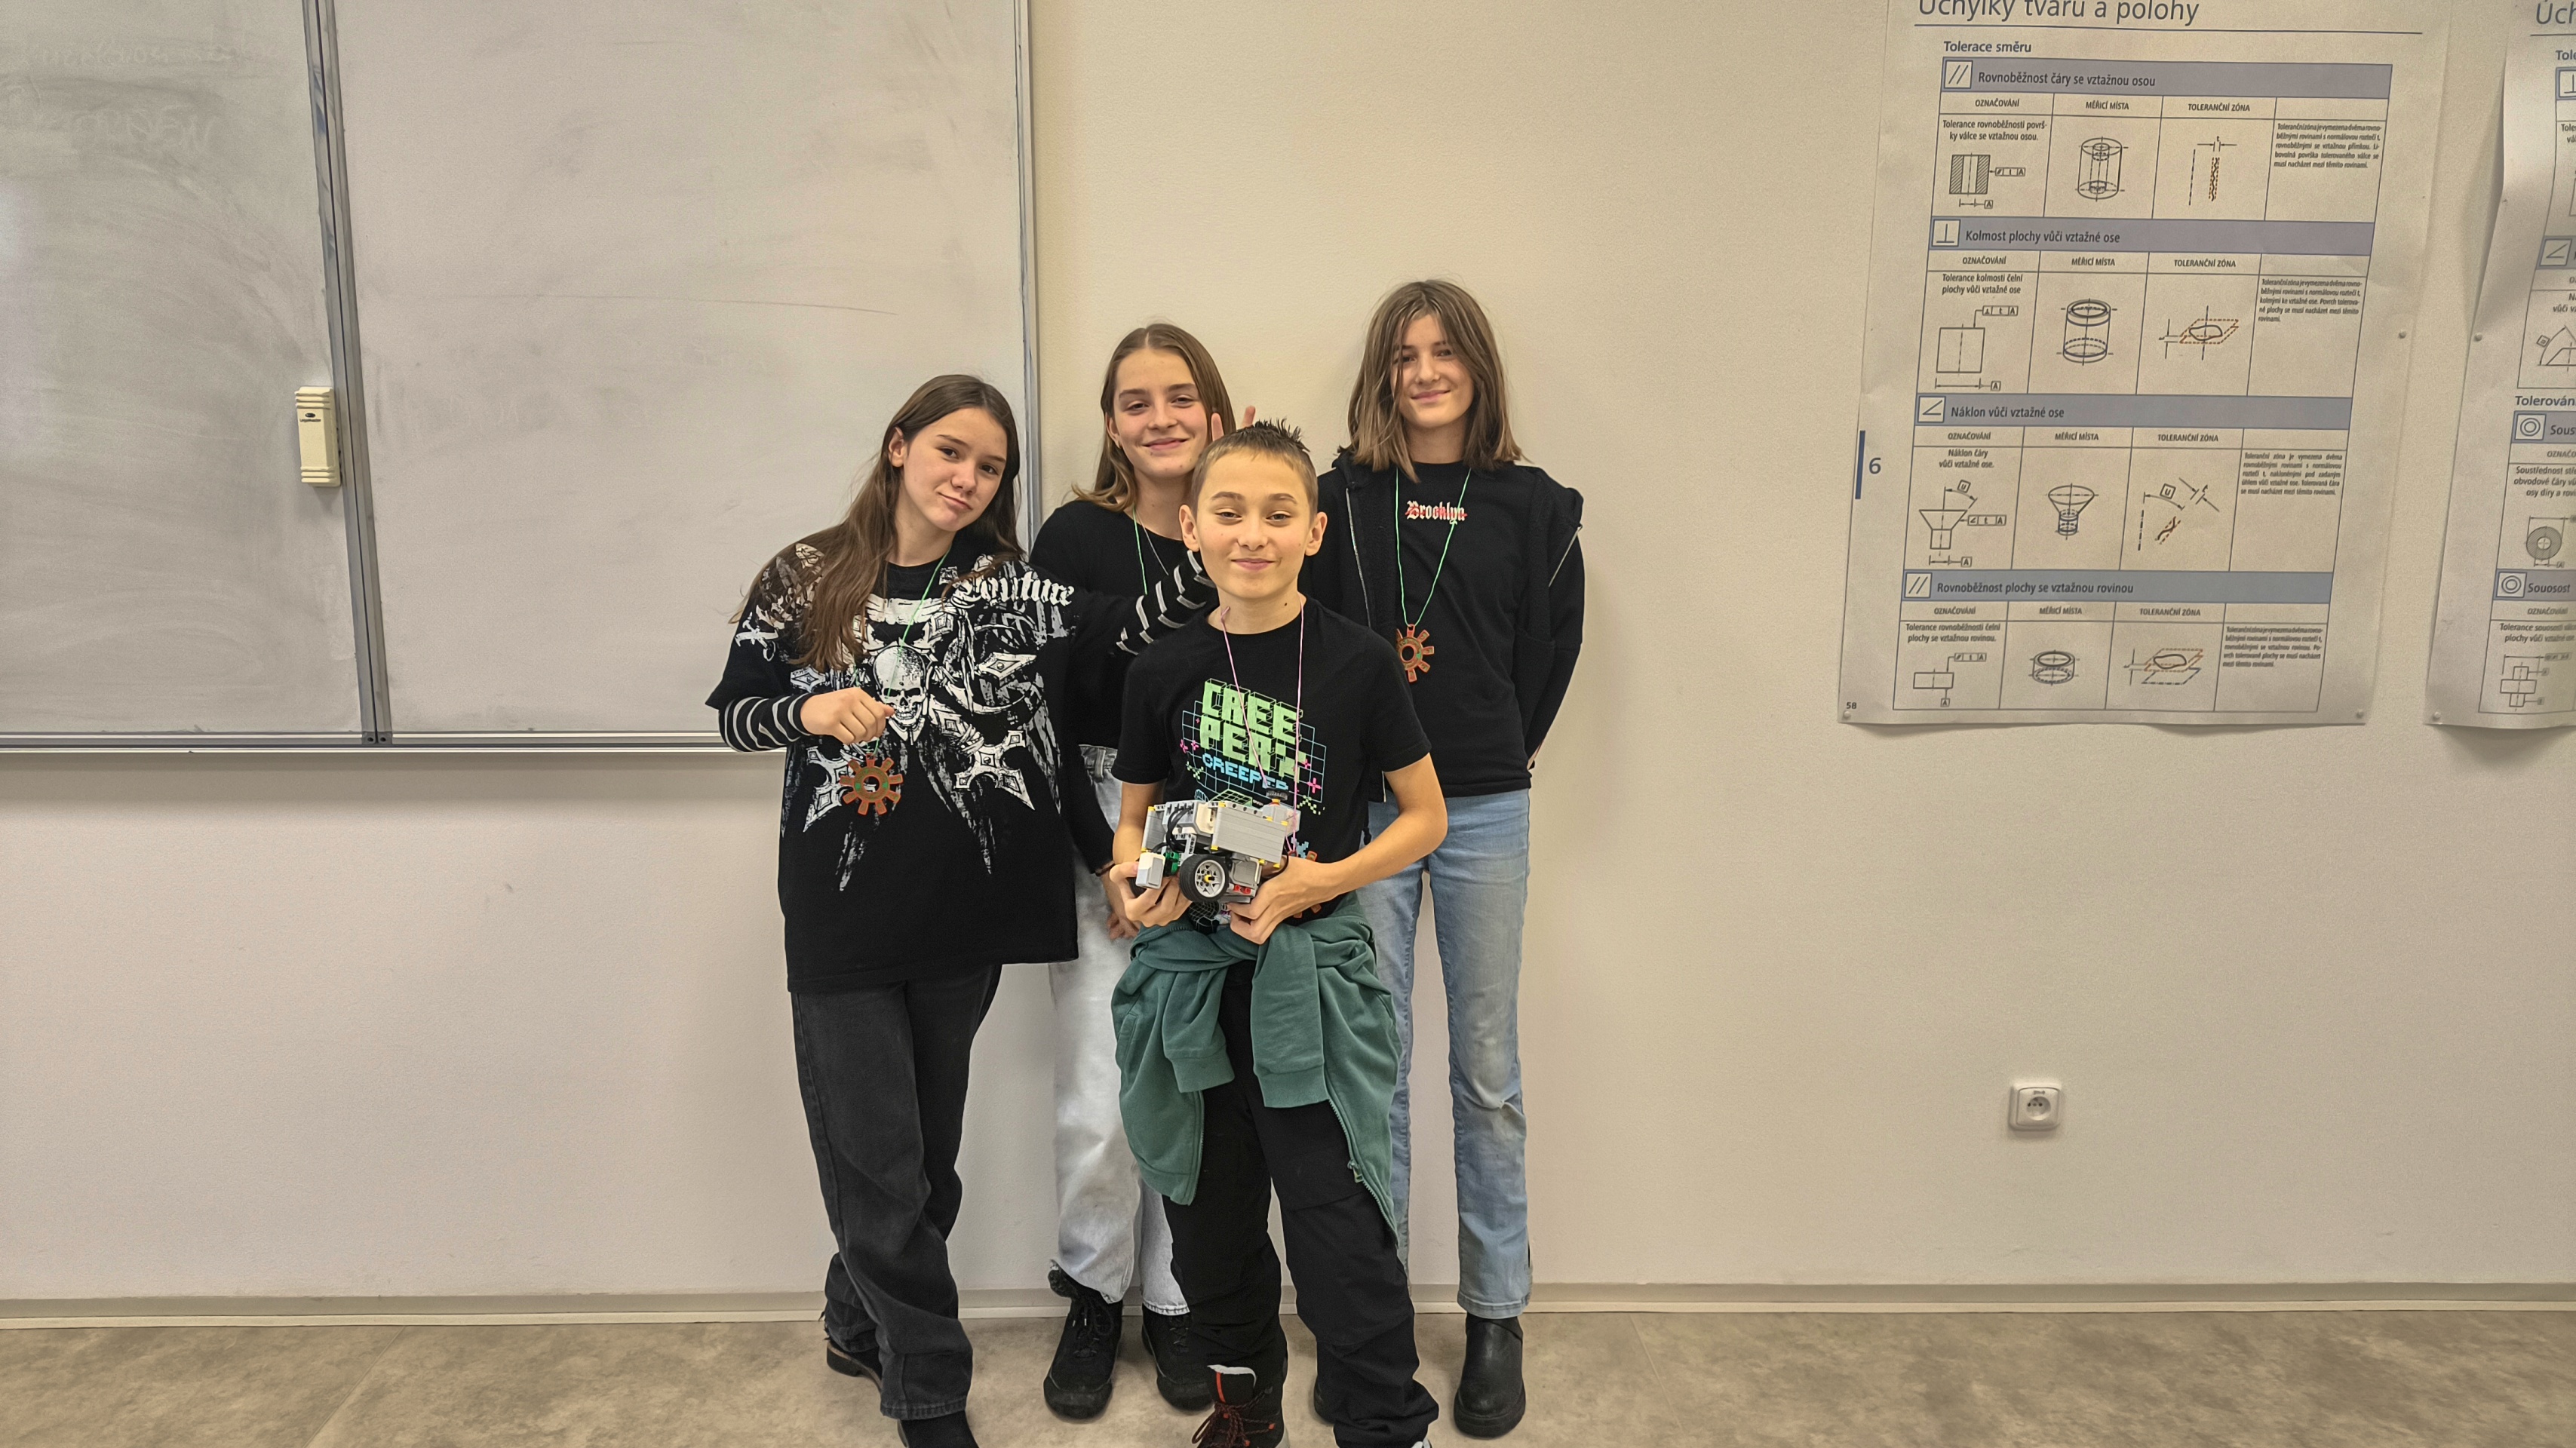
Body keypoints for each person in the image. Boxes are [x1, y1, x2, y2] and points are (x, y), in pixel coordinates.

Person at [706, 374, 1210, 1448]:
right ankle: (929, 1391)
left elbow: (1123, 639)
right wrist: (807, 709)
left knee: (925, 1169)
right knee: (879, 1166)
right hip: (842, 922)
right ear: (898, 447)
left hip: (960, 923)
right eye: (950, 452)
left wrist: (1218, 531)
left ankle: (855, 1318)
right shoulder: (806, 575)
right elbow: (734, 714)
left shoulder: (1004, 583)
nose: (967, 479)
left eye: (989, 467)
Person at [1107, 421, 1449, 1448]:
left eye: (1276, 513)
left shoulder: (1358, 662)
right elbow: (1133, 825)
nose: (1250, 534)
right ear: (1190, 528)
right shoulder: (1160, 667)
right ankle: (1246, 1412)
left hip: (1313, 981)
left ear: (1313, 531)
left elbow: (1426, 817)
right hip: (1191, 987)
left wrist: (1321, 881)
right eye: (1229, 512)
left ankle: (1381, 1421)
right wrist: (1135, 882)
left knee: (1339, 1224)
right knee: (1209, 1227)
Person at [1304, 281, 1585, 1439]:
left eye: (1445, 352)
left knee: (1487, 1073)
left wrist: (1491, 749)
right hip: (1367, 815)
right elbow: (1303, 642)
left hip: (1483, 811)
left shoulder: (1536, 507)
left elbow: (1548, 659)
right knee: (1367, 1073)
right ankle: (1371, 1322)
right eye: (1405, 354)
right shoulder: (1338, 500)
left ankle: (1495, 1316)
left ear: (1478, 367)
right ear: (1383, 372)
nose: (1425, 372)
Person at [1024, 324, 1239, 1418]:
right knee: (1103, 1089)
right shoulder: (1075, 537)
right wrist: (1099, 857)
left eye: (1180, 396)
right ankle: (1093, 1292)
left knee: (1195, 1076)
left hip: (1218, 818)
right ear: (1111, 425)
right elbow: (1043, 711)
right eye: (1135, 402)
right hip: (1100, 814)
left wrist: (1214, 858)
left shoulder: (1245, 528)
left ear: (1217, 411)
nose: (1160, 419)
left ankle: (1177, 1301)